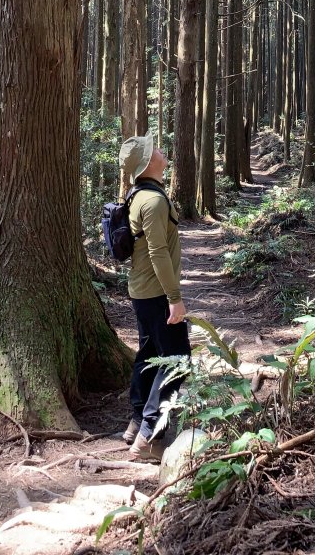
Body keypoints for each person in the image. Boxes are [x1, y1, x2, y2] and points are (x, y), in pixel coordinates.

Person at [118, 133, 190, 463]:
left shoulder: (139, 196)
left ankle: (136, 423)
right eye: (155, 149)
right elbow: (158, 252)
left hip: (141, 292)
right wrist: (174, 298)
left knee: (150, 355)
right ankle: (151, 435)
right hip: (158, 294)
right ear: (148, 163)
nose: (161, 150)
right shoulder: (155, 201)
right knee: (177, 360)